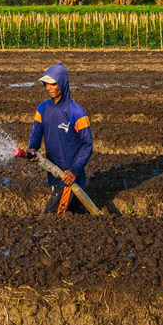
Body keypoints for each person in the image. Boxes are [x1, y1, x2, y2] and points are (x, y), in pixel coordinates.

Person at [15, 62, 94, 214]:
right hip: (54, 173)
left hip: (68, 178)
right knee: (75, 214)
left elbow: (87, 145)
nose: (48, 88)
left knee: (51, 217)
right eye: (46, 84)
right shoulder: (43, 108)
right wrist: (32, 148)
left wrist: (74, 170)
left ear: (62, 83)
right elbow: (36, 134)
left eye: (53, 84)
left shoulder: (77, 113)